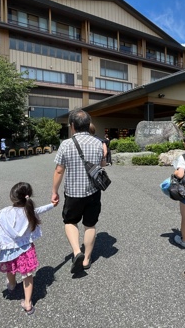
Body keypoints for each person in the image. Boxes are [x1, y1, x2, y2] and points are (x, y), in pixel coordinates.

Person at [0, 182, 57, 315]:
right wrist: (53, 205)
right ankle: (27, 303)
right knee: (27, 275)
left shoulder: (3, 213)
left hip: (9, 249)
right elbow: (41, 210)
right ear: (28, 196)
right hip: (26, 248)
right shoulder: (29, 211)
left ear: (13, 197)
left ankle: (12, 285)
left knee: (11, 269)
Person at [51, 109, 105, 274]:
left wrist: (54, 191)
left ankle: (77, 252)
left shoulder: (66, 144)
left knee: (70, 222)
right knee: (90, 224)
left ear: (72, 126)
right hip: (93, 192)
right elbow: (102, 166)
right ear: (88, 125)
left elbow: (59, 171)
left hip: (73, 193)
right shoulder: (98, 143)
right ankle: (87, 260)